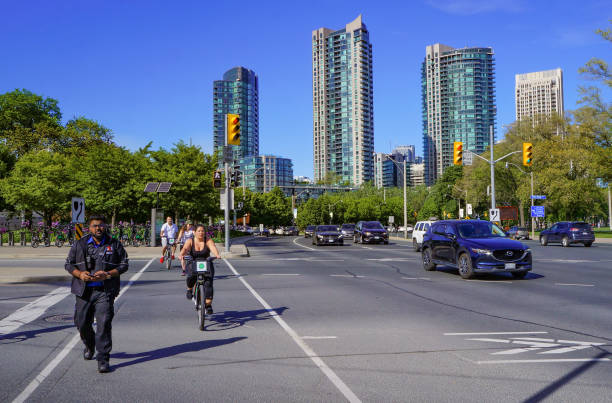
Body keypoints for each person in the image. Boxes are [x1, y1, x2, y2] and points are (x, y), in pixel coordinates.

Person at [64, 215, 128, 373]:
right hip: (83, 290)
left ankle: (103, 358)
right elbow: (68, 264)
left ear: (105, 226)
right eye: (94, 226)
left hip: (105, 292)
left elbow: (124, 264)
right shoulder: (80, 244)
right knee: (82, 322)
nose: (98, 228)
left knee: (104, 324)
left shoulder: (114, 244)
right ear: (89, 228)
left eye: (101, 225)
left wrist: (108, 274)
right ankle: (90, 345)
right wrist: (80, 274)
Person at [179, 224, 221, 314]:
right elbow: (185, 248)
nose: (201, 233)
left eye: (202, 231)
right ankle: (189, 289)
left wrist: (217, 254)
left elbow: (213, 247)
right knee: (191, 277)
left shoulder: (208, 240)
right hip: (193, 262)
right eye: (199, 231)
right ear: (195, 232)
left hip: (206, 262)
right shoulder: (190, 241)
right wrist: (181, 254)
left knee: (208, 283)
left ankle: (208, 305)